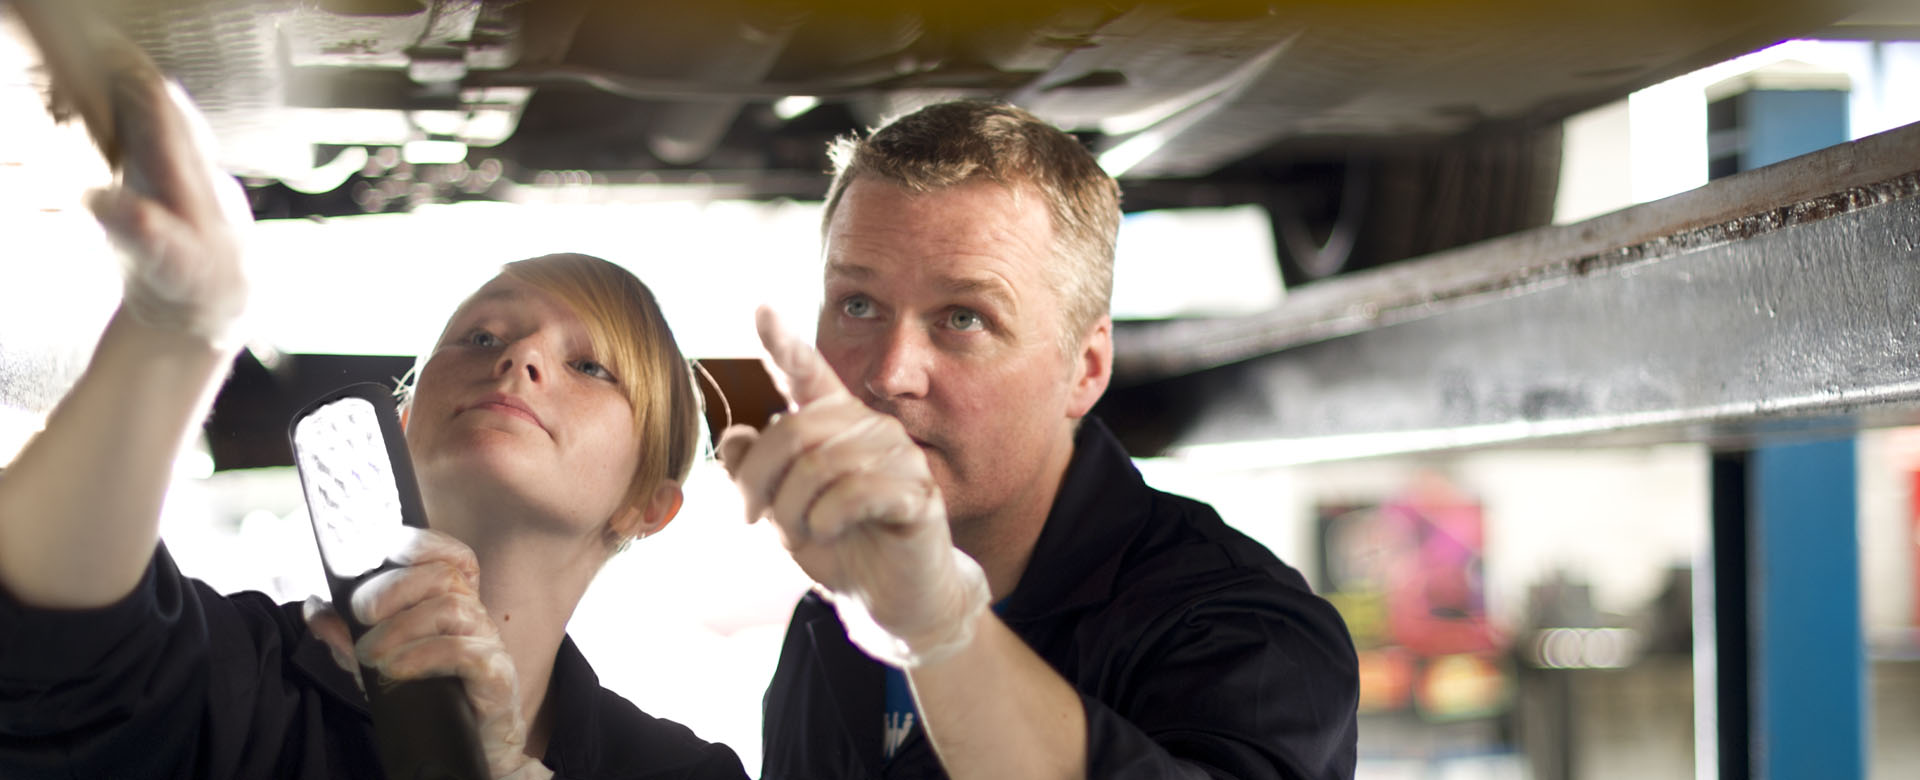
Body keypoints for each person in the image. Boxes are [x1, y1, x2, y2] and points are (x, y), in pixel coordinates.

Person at [0, 47, 747, 780]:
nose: (520, 359)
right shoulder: (238, 672)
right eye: (479, 336)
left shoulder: (683, 771)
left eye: (589, 366)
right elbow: (57, 634)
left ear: (649, 505)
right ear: (406, 421)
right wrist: (171, 341)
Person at [720, 100, 1360, 779]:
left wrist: (936, 630)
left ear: (1085, 370)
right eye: (857, 305)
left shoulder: (1245, 634)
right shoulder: (831, 622)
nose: (889, 373)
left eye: (963, 317)